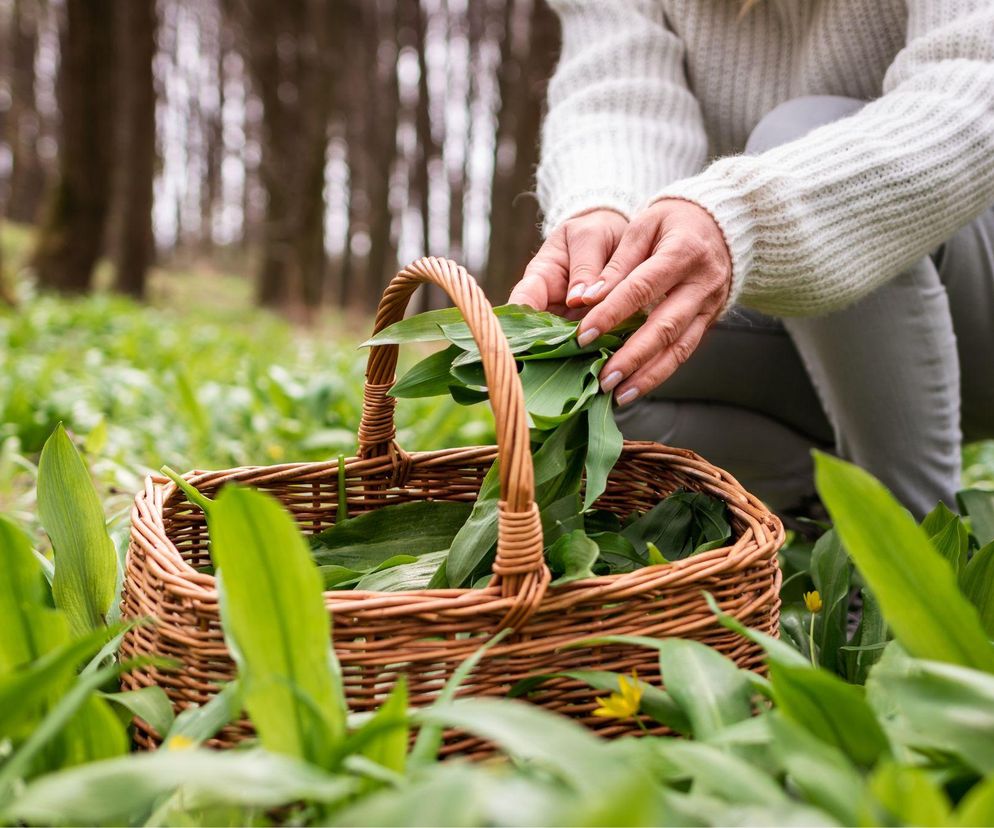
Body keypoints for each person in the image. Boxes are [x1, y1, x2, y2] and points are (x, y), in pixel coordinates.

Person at [508, 0, 994, 518]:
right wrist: (607, 213)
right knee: (597, 365)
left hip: (970, 311)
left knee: (797, 129)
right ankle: (826, 513)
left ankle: (916, 544)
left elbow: (972, 89)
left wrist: (747, 215)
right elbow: (616, 96)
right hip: (804, 338)